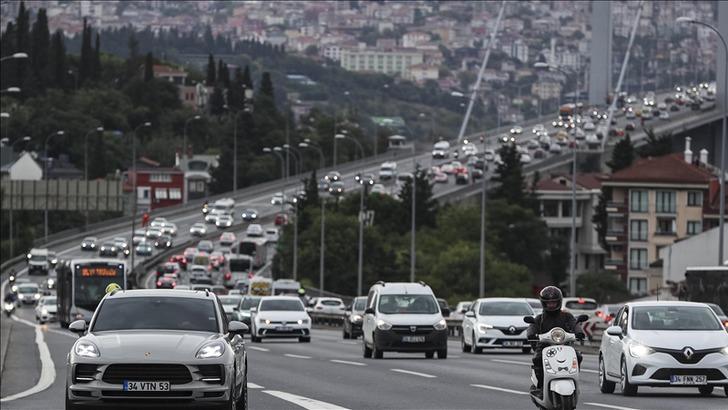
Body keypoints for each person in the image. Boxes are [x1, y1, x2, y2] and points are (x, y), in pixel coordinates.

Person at [526, 286, 583, 398]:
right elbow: (532, 326)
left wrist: (579, 332)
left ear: (559, 302)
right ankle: (540, 387)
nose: (551, 305)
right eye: (549, 303)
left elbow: (574, 324)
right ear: (544, 303)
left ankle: (574, 382)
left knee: (578, 356)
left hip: (565, 345)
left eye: (554, 302)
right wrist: (531, 334)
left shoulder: (566, 316)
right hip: (544, 346)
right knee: (537, 359)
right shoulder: (540, 318)